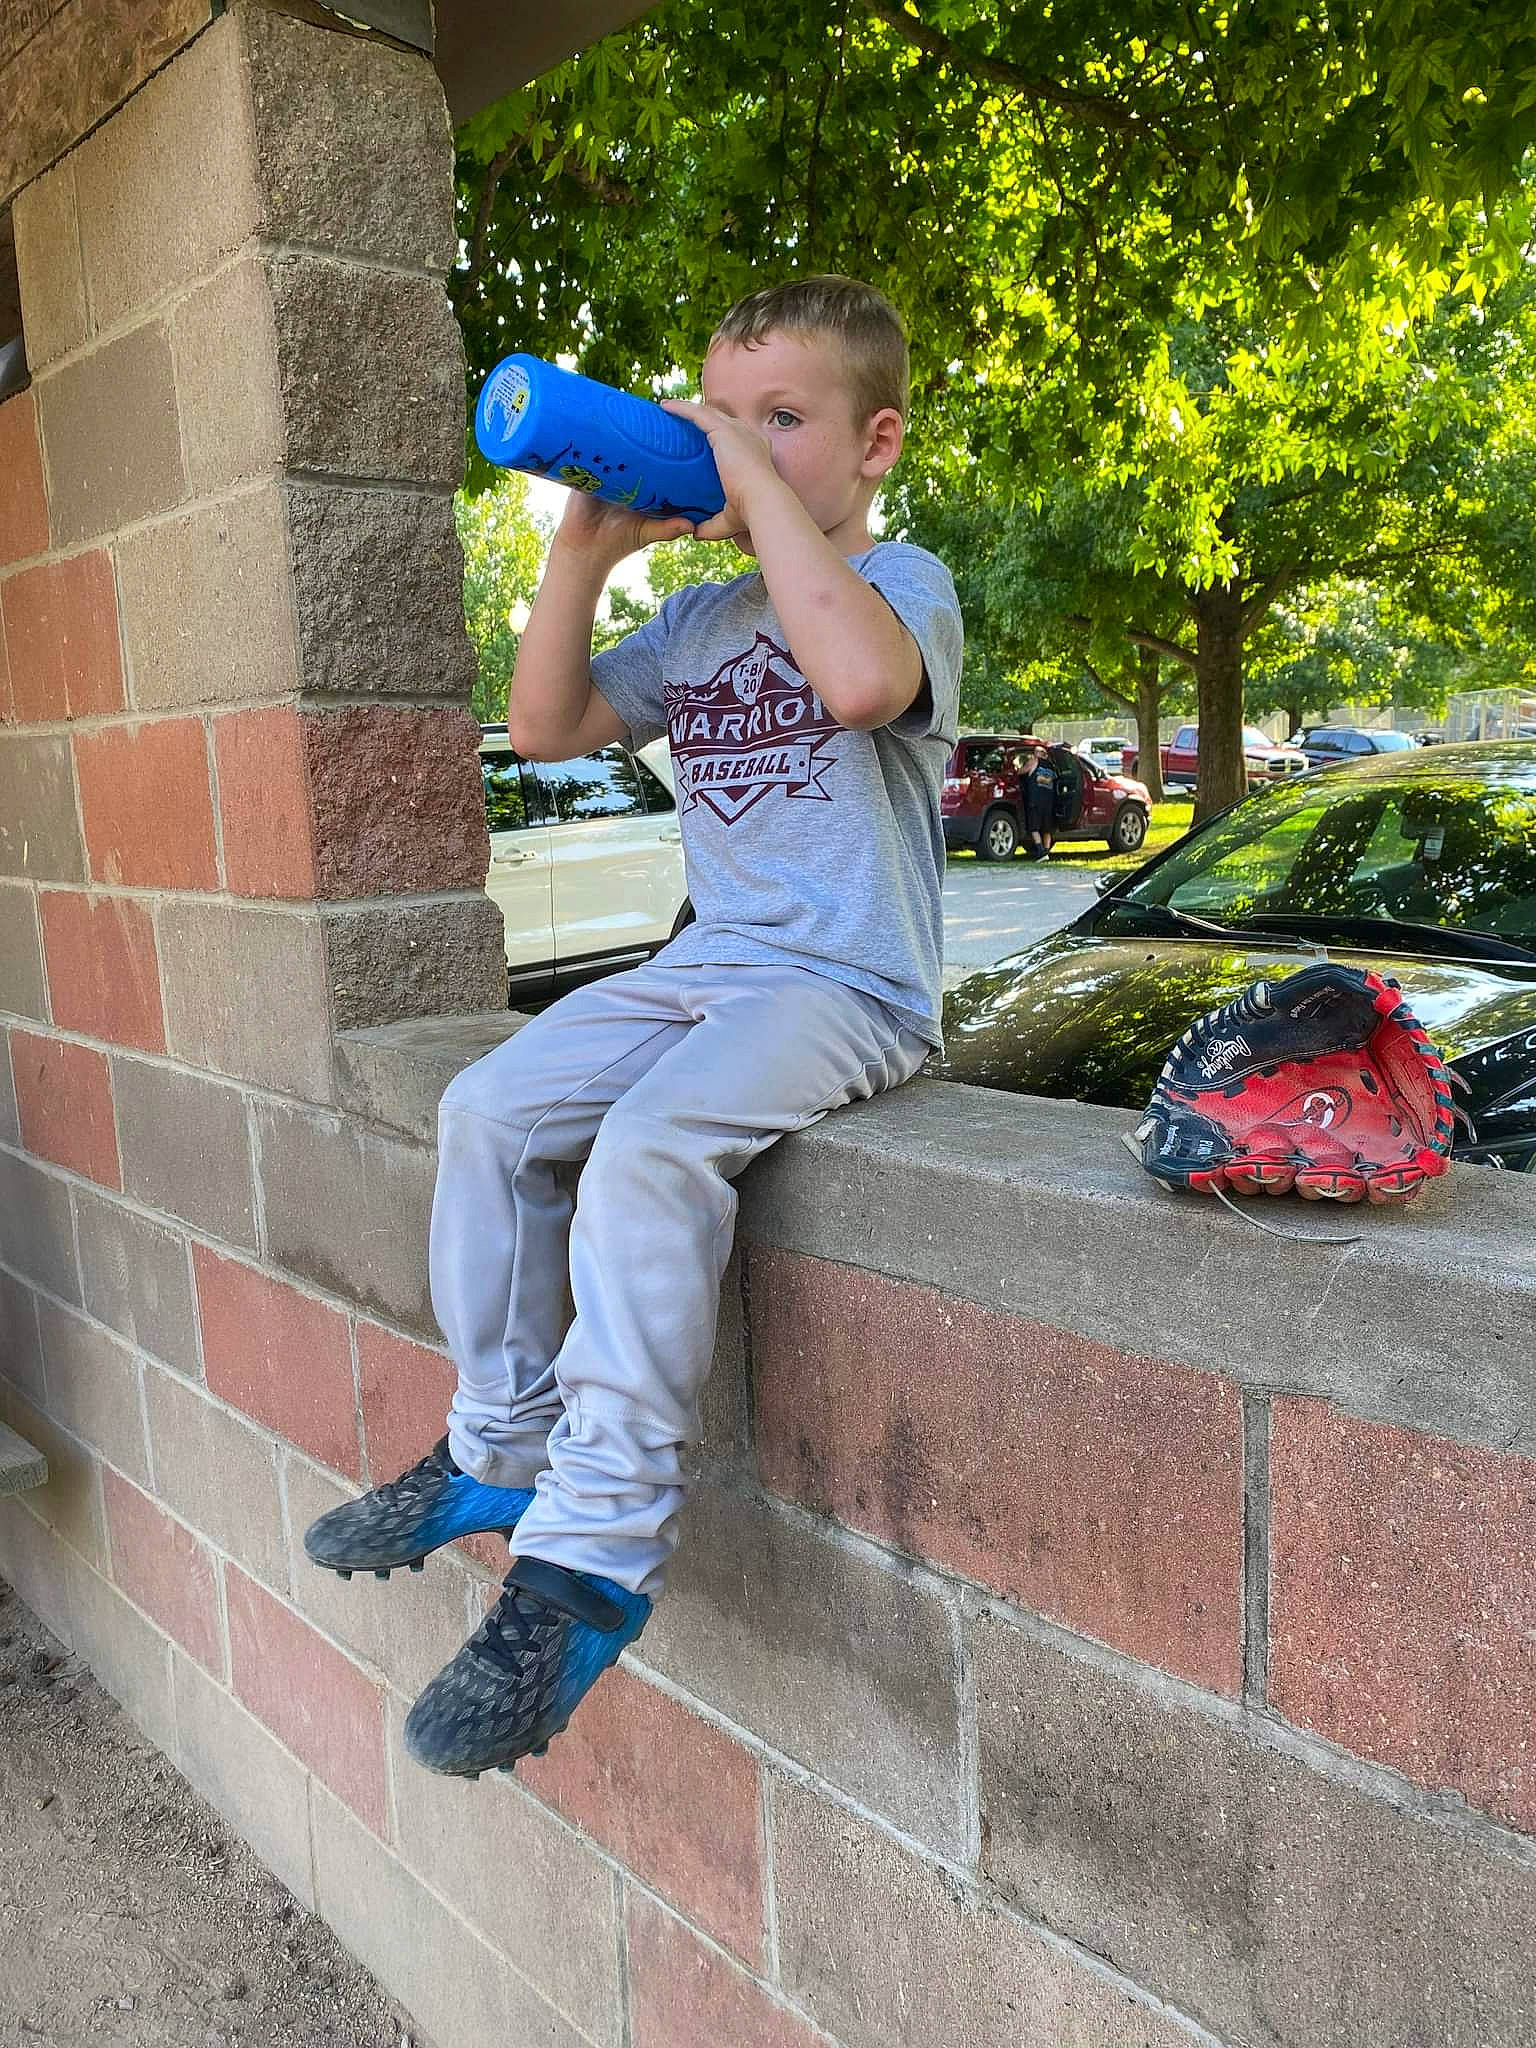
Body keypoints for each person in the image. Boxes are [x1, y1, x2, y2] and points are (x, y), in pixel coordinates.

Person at [302, 277, 965, 1779]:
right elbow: (541, 728)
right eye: (718, 411)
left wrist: (745, 480)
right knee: (491, 1112)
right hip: (713, 966)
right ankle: (496, 1447)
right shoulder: (697, 621)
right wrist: (578, 552)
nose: (735, 442)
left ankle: (587, 1566)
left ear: (877, 444)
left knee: (651, 1149)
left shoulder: (905, 582)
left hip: (846, 982)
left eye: (778, 419)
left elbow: (859, 682)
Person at [1016, 741, 1057, 858]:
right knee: (1047, 828)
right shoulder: (1051, 765)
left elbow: (1020, 772)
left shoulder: (1034, 761)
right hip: (1049, 800)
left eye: (1035, 752)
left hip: (1036, 800)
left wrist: (1016, 769)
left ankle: (1040, 852)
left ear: (1037, 753)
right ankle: (1047, 852)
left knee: (1034, 827)